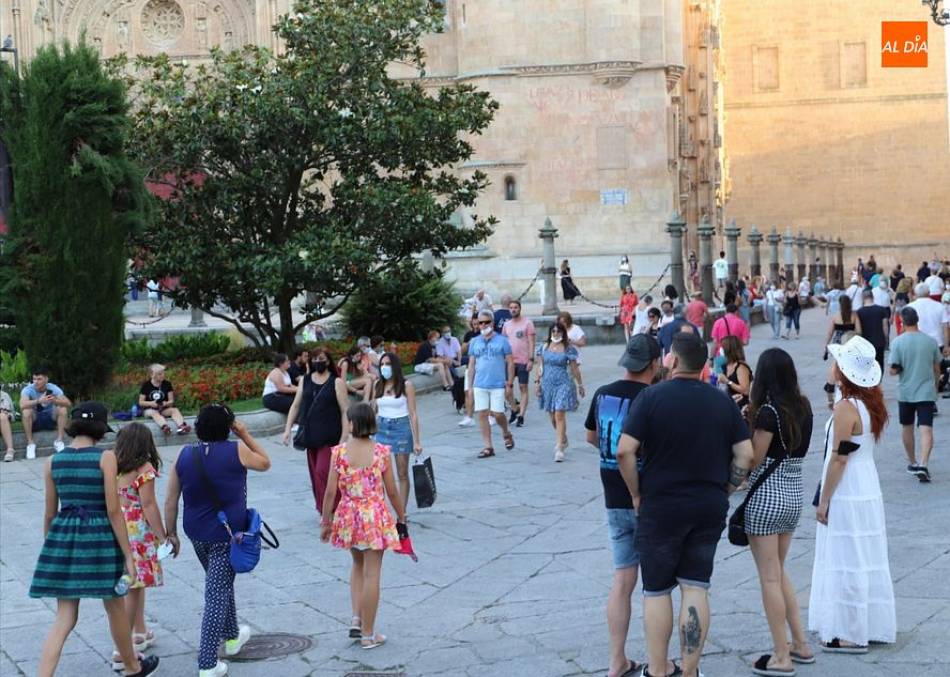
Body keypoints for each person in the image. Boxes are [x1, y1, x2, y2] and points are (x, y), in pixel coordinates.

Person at [616, 332, 754, 677]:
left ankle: (659, 670)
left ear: (672, 360)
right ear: (705, 365)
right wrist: (726, 487)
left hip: (661, 505)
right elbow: (746, 454)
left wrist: (635, 492)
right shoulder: (721, 401)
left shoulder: (650, 398)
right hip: (707, 504)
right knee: (696, 586)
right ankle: (691, 671)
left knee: (657, 589)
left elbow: (624, 450)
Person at [30, 403, 160, 677]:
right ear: (100, 430)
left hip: (64, 538)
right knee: (114, 605)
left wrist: (51, 548)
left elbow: (49, 513)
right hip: (99, 539)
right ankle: (133, 667)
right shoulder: (105, 459)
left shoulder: (52, 462)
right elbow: (113, 511)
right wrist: (128, 555)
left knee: (65, 616)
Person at [164, 404, 270, 676]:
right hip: (226, 535)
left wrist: (170, 533)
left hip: (196, 532)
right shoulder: (237, 450)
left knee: (220, 582)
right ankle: (208, 663)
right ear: (228, 427)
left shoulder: (185, 454)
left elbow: (170, 499)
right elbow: (265, 462)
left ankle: (233, 636)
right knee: (217, 593)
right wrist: (245, 434)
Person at [584, 334, 666, 677]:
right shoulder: (654, 398)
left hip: (611, 496)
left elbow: (591, 436)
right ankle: (658, 662)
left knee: (622, 579)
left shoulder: (603, 393)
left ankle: (616, 660)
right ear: (654, 364)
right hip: (646, 497)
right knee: (655, 585)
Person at [809, 336, 896, 653]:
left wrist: (825, 498)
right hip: (865, 482)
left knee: (847, 554)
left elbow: (840, 457)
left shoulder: (848, 408)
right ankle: (865, 622)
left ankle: (849, 632)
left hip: (848, 486)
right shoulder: (868, 404)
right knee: (863, 552)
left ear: (844, 371)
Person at [744, 349, 815, 676]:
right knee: (780, 571)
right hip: (792, 494)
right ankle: (800, 644)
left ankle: (780, 655)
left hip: (766, 498)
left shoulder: (768, 413)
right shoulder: (804, 407)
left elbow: (753, 459)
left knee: (769, 576)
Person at [320, 402, 406, 649]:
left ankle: (357, 618)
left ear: (353, 423)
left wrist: (326, 521)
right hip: (374, 516)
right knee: (372, 573)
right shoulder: (381, 452)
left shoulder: (338, 452)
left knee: (357, 564)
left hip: (348, 515)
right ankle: (368, 634)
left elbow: (329, 492)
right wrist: (401, 516)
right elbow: (391, 490)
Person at [111, 423, 167, 671]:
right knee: (133, 587)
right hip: (137, 533)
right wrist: (163, 536)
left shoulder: (111, 466)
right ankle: (123, 649)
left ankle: (140, 631)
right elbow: (149, 504)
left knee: (136, 583)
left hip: (115, 529)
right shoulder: (144, 469)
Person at [283, 349, 350, 513]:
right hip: (311, 436)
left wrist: (344, 436)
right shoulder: (305, 381)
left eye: (321, 359)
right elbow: (296, 405)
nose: (317, 362)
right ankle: (324, 509)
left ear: (328, 361)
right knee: (316, 476)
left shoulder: (337, 382)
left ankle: (336, 506)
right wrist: (287, 429)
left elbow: (345, 411)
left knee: (323, 471)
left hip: (331, 436)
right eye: (314, 359)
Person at [889, 307, 942, 482]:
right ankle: (924, 463)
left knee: (907, 427)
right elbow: (937, 367)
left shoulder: (897, 343)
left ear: (902, 322)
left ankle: (912, 462)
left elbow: (893, 370)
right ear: (917, 320)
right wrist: (934, 385)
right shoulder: (930, 341)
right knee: (926, 428)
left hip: (906, 392)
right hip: (926, 391)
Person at [371, 352, 422, 513]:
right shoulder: (378, 384)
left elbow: (413, 413)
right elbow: (374, 409)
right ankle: (383, 509)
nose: (385, 367)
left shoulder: (406, 385)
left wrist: (417, 441)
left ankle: (402, 511)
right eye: (382, 364)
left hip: (401, 427)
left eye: (388, 364)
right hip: (382, 428)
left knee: (402, 472)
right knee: (380, 471)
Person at [466, 309, 515, 459]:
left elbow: (510, 362)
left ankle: (506, 432)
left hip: (498, 383)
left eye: (486, 322)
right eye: (481, 323)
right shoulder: (474, 342)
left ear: (492, 323)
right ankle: (488, 446)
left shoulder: (502, 340)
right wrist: (470, 386)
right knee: (482, 414)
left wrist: (510, 383)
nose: (483, 325)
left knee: (498, 413)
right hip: (480, 383)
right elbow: (472, 365)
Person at [535, 323, 584, 462]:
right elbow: (539, 366)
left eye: (559, 331)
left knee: (559, 413)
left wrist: (580, 385)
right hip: (547, 384)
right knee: (552, 417)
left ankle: (559, 447)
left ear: (563, 333)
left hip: (563, 383)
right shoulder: (544, 347)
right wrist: (537, 383)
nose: (556, 333)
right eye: (554, 331)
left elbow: (575, 369)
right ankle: (563, 438)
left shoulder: (568, 349)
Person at [20, 366, 70, 458]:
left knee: (63, 409)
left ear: (46, 379)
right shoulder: (28, 389)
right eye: (34, 379)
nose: (36, 382)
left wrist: (55, 400)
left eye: (39, 379)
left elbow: (68, 403)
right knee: (26, 411)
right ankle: (30, 444)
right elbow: (22, 405)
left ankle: (59, 441)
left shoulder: (53, 388)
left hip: (50, 418)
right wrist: (38, 401)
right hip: (35, 419)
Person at [503, 300, 536, 427]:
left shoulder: (527, 323)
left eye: (515, 307)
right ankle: (514, 409)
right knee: (507, 389)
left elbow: (532, 342)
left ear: (520, 309)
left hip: (523, 361)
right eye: (511, 308)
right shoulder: (507, 325)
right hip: (510, 361)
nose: (513, 310)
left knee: (523, 388)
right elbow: (503, 342)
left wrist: (531, 359)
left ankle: (521, 415)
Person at [138, 364, 192, 436]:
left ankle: (182, 426)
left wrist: (165, 403)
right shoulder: (146, 385)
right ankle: (165, 427)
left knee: (174, 410)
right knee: (154, 412)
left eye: (163, 373)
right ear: (152, 375)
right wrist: (150, 403)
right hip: (149, 409)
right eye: (159, 374)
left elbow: (171, 401)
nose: (162, 375)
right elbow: (141, 402)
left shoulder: (167, 384)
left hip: (163, 408)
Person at [857, 289, 890, 370]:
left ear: (862, 297)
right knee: (879, 365)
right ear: (873, 297)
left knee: (867, 367)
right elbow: (885, 326)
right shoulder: (882, 310)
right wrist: (886, 339)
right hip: (879, 342)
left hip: (865, 343)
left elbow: (858, 330)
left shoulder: (859, 312)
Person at [458, 314, 481, 427]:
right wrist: (468, 343)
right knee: (468, 391)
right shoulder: (469, 334)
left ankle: (490, 415)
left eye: (478, 323)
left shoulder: (484, 335)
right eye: (474, 324)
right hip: (470, 365)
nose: (476, 326)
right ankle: (468, 416)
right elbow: (461, 351)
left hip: (481, 366)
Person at [908, 282, 945, 351]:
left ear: (915, 294)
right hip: (937, 342)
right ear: (929, 293)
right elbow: (946, 326)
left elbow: (905, 327)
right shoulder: (940, 306)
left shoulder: (909, 307)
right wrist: (946, 346)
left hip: (916, 343)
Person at [721, 335, 752, 410]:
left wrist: (728, 382)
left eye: (722, 347)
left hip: (740, 405)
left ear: (728, 349)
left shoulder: (741, 367)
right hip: (728, 401)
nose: (720, 349)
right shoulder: (725, 364)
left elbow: (745, 390)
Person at [1, 389, 16, 462]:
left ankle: (10, 450)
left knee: (2, 416)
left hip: (3, 420)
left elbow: (7, 411)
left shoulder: (4, 395)